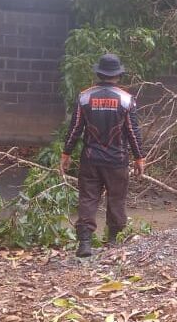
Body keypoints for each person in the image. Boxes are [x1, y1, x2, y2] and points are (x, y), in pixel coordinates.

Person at [60, 54, 145, 258]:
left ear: (98, 73)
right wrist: (139, 157)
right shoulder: (126, 99)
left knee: (88, 198)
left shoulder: (85, 97)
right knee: (116, 199)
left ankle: (85, 243)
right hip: (117, 160)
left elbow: (75, 129)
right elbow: (133, 131)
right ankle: (113, 241)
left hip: (90, 159)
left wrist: (66, 153)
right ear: (118, 75)